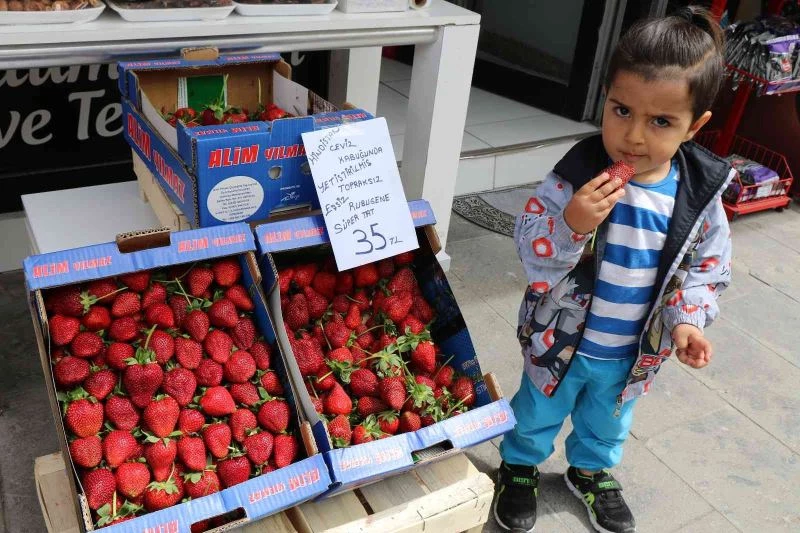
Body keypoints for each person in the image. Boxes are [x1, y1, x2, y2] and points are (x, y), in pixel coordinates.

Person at [492, 6, 735, 533]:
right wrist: (572, 224)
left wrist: (688, 320)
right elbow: (528, 243)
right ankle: (518, 465)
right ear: (605, 98)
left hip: (633, 350)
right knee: (536, 409)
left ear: (696, 127)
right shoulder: (576, 173)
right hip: (559, 338)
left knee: (609, 420)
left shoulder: (698, 197)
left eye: (661, 122)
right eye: (621, 110)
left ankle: (590, 471)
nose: (633, 136)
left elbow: (706, 269)